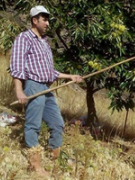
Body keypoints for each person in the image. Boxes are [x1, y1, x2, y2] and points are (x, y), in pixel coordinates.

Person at [10, 5, 83, 177]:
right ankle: (35, 165)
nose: (48, 23)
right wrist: (19, 91)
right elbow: (16, 67)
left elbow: (50, 72)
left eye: (48, 19)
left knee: (57, 123)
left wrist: (70, 76)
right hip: (34, 85)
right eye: (44, 19)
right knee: (33, 125)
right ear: (34, 20)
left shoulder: (44, 42)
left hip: (46, 87)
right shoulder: (24, 38)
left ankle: (54, 156)